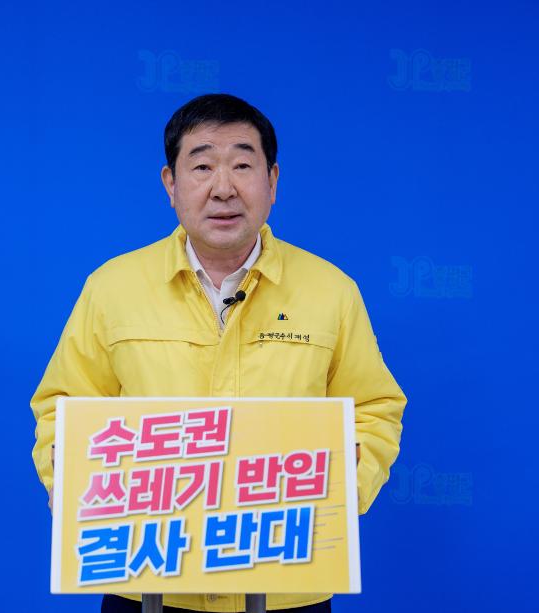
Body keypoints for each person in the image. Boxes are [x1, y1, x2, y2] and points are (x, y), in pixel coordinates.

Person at [31, 93, 407, 613]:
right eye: (203, 166)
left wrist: (340, 492)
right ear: (171, 183)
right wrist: (74, 483)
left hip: (287, 584)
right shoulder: (112, 288)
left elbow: (374, 409)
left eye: (243, 166)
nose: (223, 188)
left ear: (272, 181)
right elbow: (64, 408)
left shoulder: (331, 292)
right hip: (147, 583)